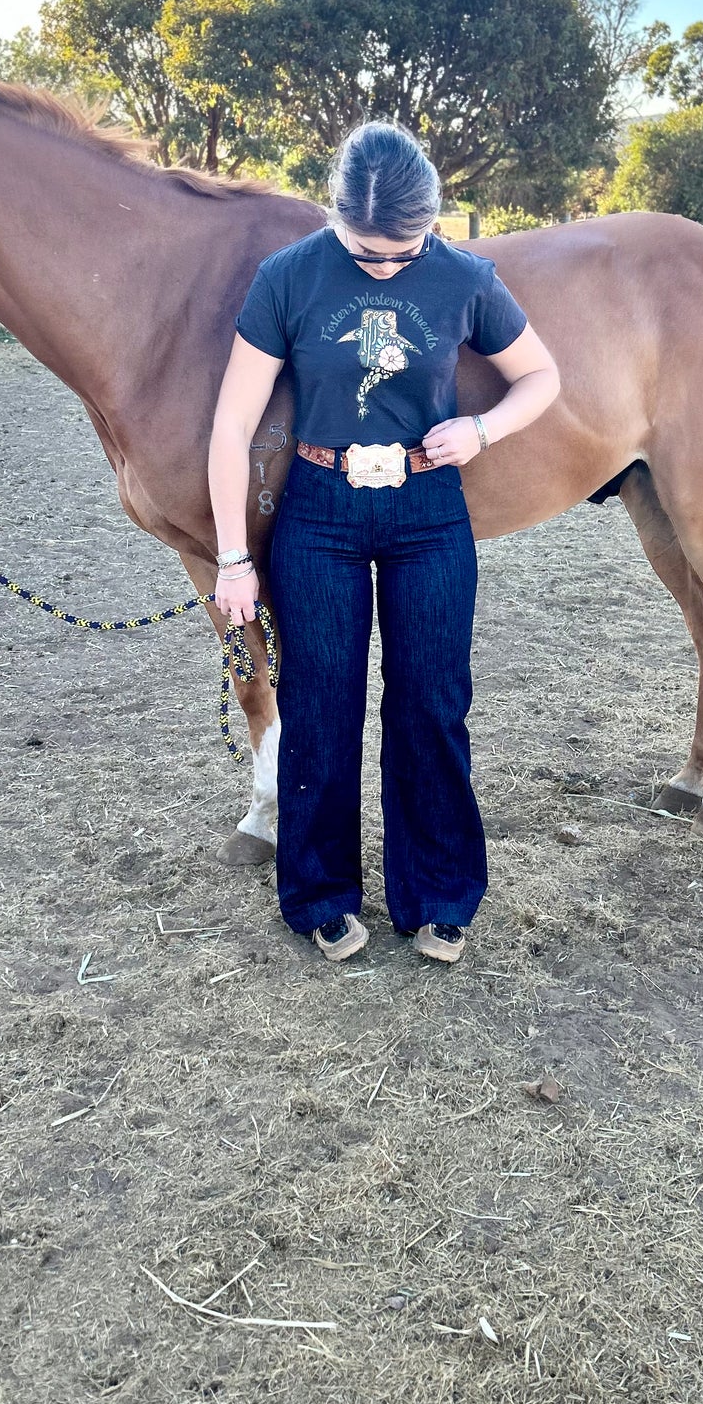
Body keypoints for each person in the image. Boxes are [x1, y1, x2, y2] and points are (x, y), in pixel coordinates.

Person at [207, 123, 560, 964]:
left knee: (431, 703)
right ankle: (321, 892)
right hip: (319, 510)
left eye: (402, 253)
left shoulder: (465, 277)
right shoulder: (287, 276)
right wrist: (231, 557)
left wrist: (482, 427)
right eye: (366, 251)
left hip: (427, 507)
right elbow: (231, 422)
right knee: (320, 709)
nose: (383, 266)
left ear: (432, 225)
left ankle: (439, 893)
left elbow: (541, 377)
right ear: (334, 218)